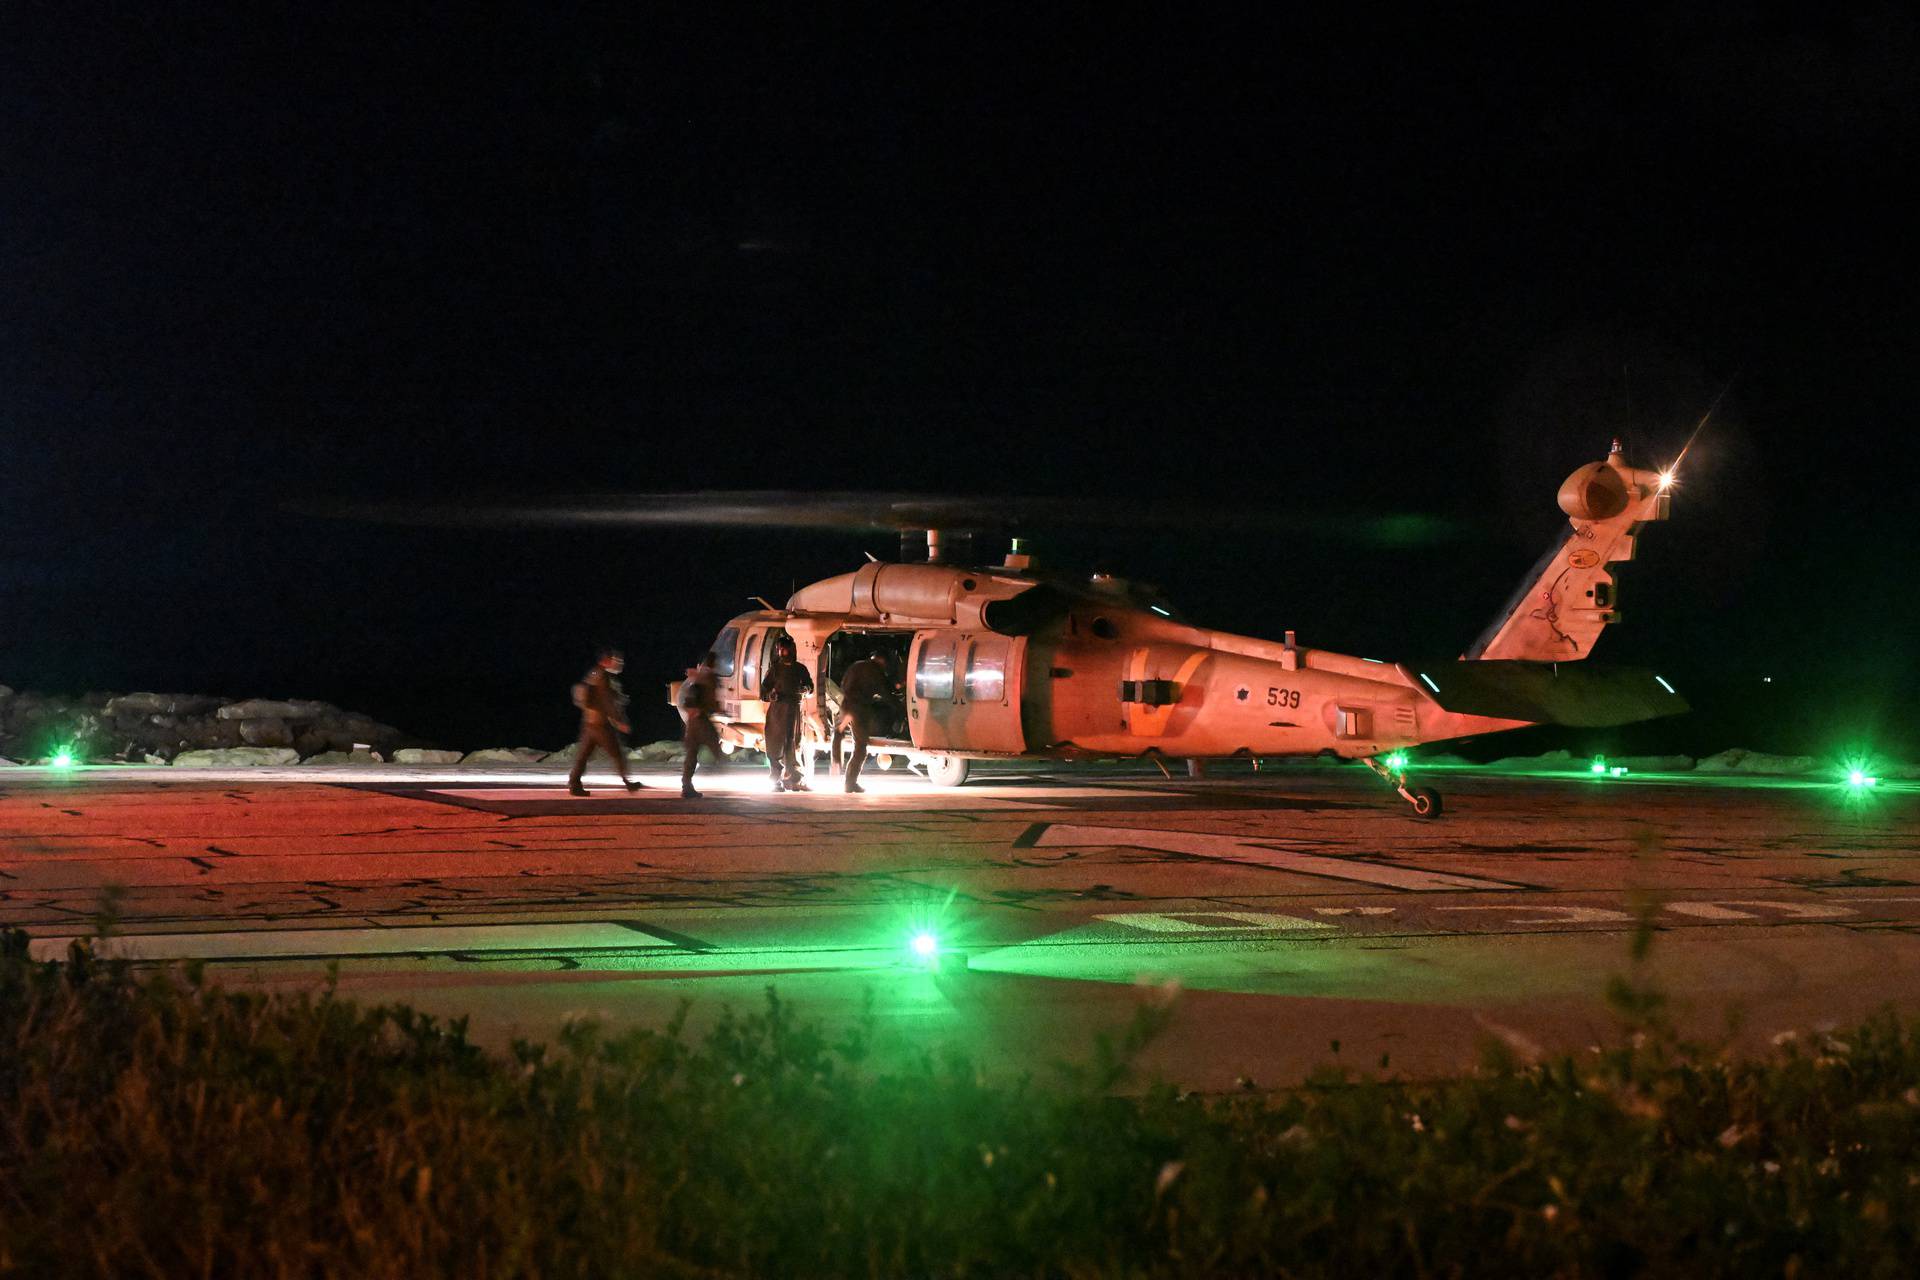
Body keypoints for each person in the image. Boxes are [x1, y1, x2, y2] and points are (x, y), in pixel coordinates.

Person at [568, 647, 642, 796]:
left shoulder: (593, 673)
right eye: (615, 660)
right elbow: (606, 700)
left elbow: (595, 696)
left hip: (589, 722)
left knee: (583, 756)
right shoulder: (604, 676)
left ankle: (574, 784)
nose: (618, 663)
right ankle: (628, 783)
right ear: (606, 660)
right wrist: (619, 720)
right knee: (617, 754)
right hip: (601, 724)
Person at [832, 650, 893, 793]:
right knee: (860, 747)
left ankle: (835, 761)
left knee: (839, 731)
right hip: (859, 710)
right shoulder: (875, 671)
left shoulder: (856, 666)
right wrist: (899, 707)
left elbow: (844, 684)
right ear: (882, 661)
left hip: (846, 706)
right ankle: (850, 783)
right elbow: (885, 692)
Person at [759, 635, 813, 792]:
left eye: (784, 648)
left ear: (791, 649)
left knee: (793, 744)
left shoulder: (800, 669)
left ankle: (794, 780)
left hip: (794, 711)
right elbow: (763, 691)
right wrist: (770, 696)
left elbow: (810, 686)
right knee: (775, 745)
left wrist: (806, 689)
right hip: (778, 711)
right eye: (780, 649)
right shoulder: (775, 670)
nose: (782, 652)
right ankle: (775, 780)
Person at [678, 650, 722, 799]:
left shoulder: (696, 676)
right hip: (700, 719)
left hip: (692, 720)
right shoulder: (709, 677)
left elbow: (686, 697)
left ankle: (686, 786)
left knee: (691, 753)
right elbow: (708, 698)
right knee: (715, 744)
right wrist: (717, 709)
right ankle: (722, 771)